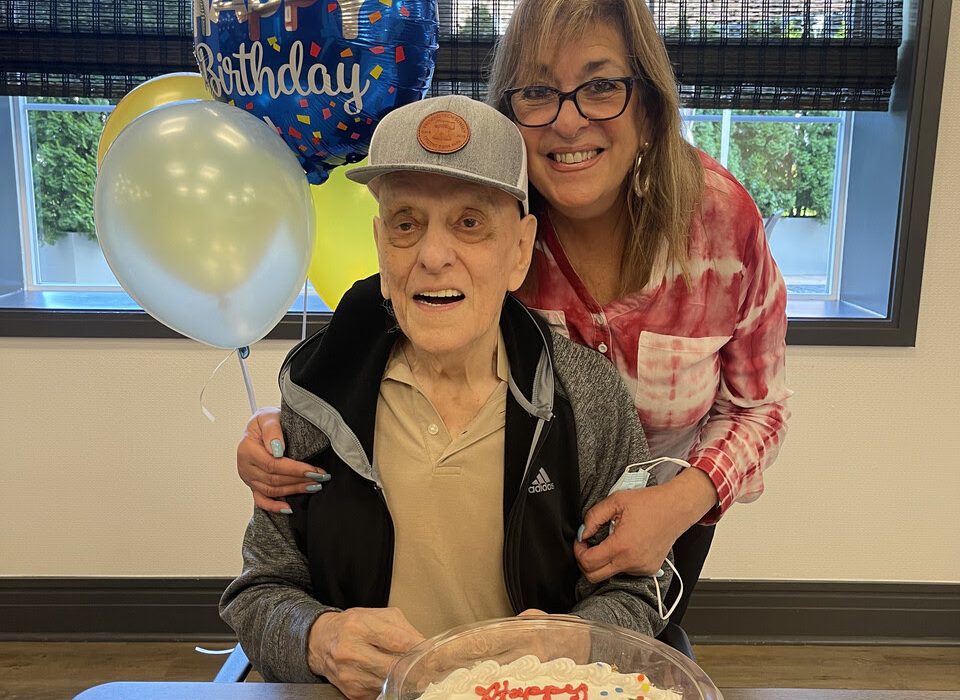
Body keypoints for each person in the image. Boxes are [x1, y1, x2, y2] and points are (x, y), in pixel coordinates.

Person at [234, 0, 791, 624]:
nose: (569, 121)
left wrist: (685, 498)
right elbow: (370, 345)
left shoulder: (718, 222)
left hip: (668, 515)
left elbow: (757, 406)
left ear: (649, 102)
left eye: (602, 85)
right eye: (537, 92)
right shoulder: (489, 216)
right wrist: (282, 426)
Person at [220, 95, 673, 699]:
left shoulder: (585, 398)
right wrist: (318, 638)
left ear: (519, 251)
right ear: (381, 246)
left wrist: (576, 640)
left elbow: (638, 595)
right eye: (407, 223)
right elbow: (258, 594)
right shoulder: (315, 396)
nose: (433, 256)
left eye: (469, 223)